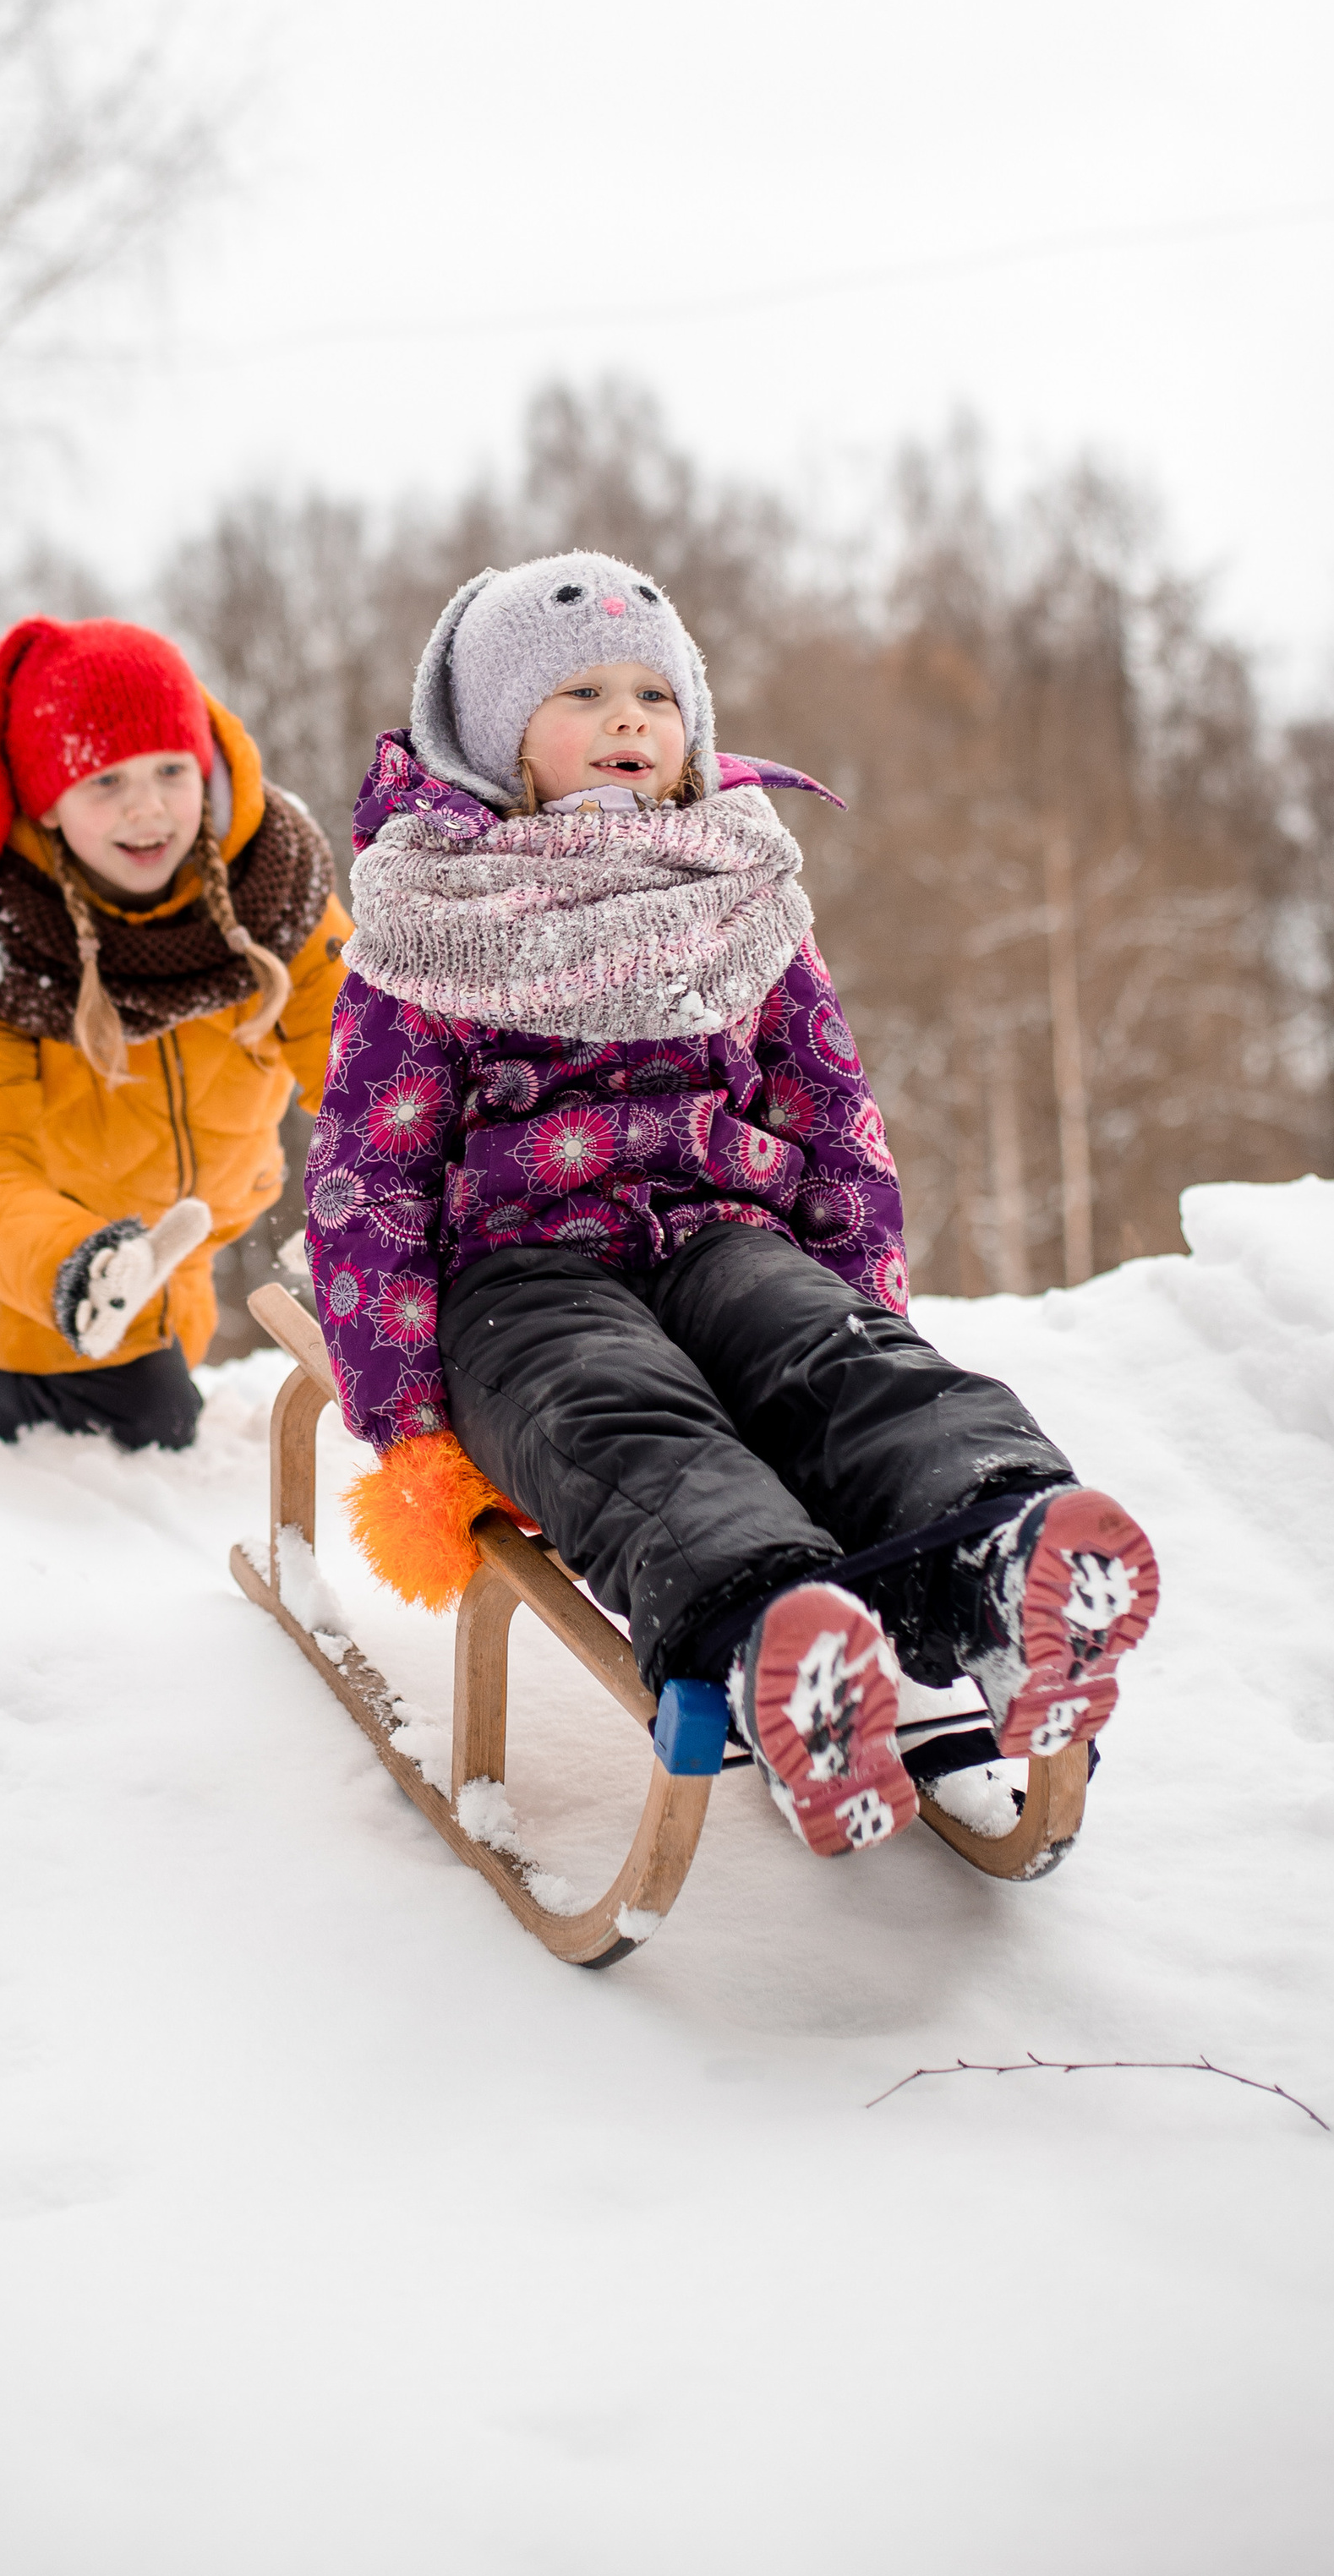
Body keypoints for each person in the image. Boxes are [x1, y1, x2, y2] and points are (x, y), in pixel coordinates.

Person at [302, 550, 1159, 1855]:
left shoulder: (738, 890)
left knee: (835, 1364)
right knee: (616, 1414)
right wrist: (406, 1417)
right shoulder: (432, 917)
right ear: (493, 735)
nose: (630, 719)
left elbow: (828, 1108)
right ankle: (777, 1635)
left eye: (655, 693)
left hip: (722, 1234)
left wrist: (861, 1294)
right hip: (522, 1274)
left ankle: (1001, 1555)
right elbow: (370, 1172)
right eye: (583, 694)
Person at [0, 614, 350, 1454]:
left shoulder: (271, 887)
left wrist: (387, 1189)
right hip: (45, 1258)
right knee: (134, 1418)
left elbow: (367, 1058)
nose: (147, 808)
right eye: (104, 780)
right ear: (47, 799)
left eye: (170, 770)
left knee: (164, 1398)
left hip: (179, 1250)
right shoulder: (0, 943)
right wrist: (71, 1262)